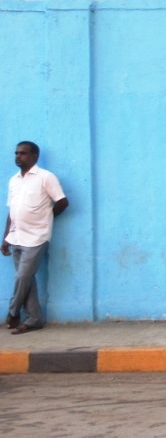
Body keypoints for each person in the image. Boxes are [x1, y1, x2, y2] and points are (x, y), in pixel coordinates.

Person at [2, 141, 68, 335]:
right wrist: (6, 237)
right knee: (27, 278)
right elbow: (12, 211)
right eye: (16, 153)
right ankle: (34, 319)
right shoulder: (14, 180)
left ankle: (13, 312)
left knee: (23, 276)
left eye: (23, 153)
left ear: (34, 156)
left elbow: (63, 202)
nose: (18, 156)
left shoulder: (46, 177)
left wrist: (45, 218)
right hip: (17, 236)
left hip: (37, 236)